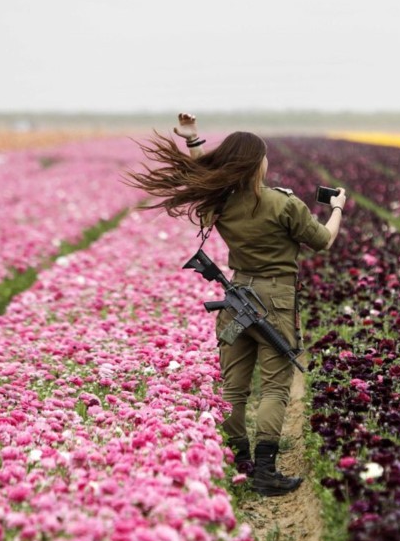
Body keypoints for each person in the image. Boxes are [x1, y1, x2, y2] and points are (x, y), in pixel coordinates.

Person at [127, 113, 346, 496]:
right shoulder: (283, 205)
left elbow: (201, 178)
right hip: (275, 299)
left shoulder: (221, 203)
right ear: (256, 162)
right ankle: (264, 470)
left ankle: (239, 461)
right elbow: (323, 240)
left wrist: (194, 141)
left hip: (235, 298)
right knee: (276, 387)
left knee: (233, 389)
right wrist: (338, 207)